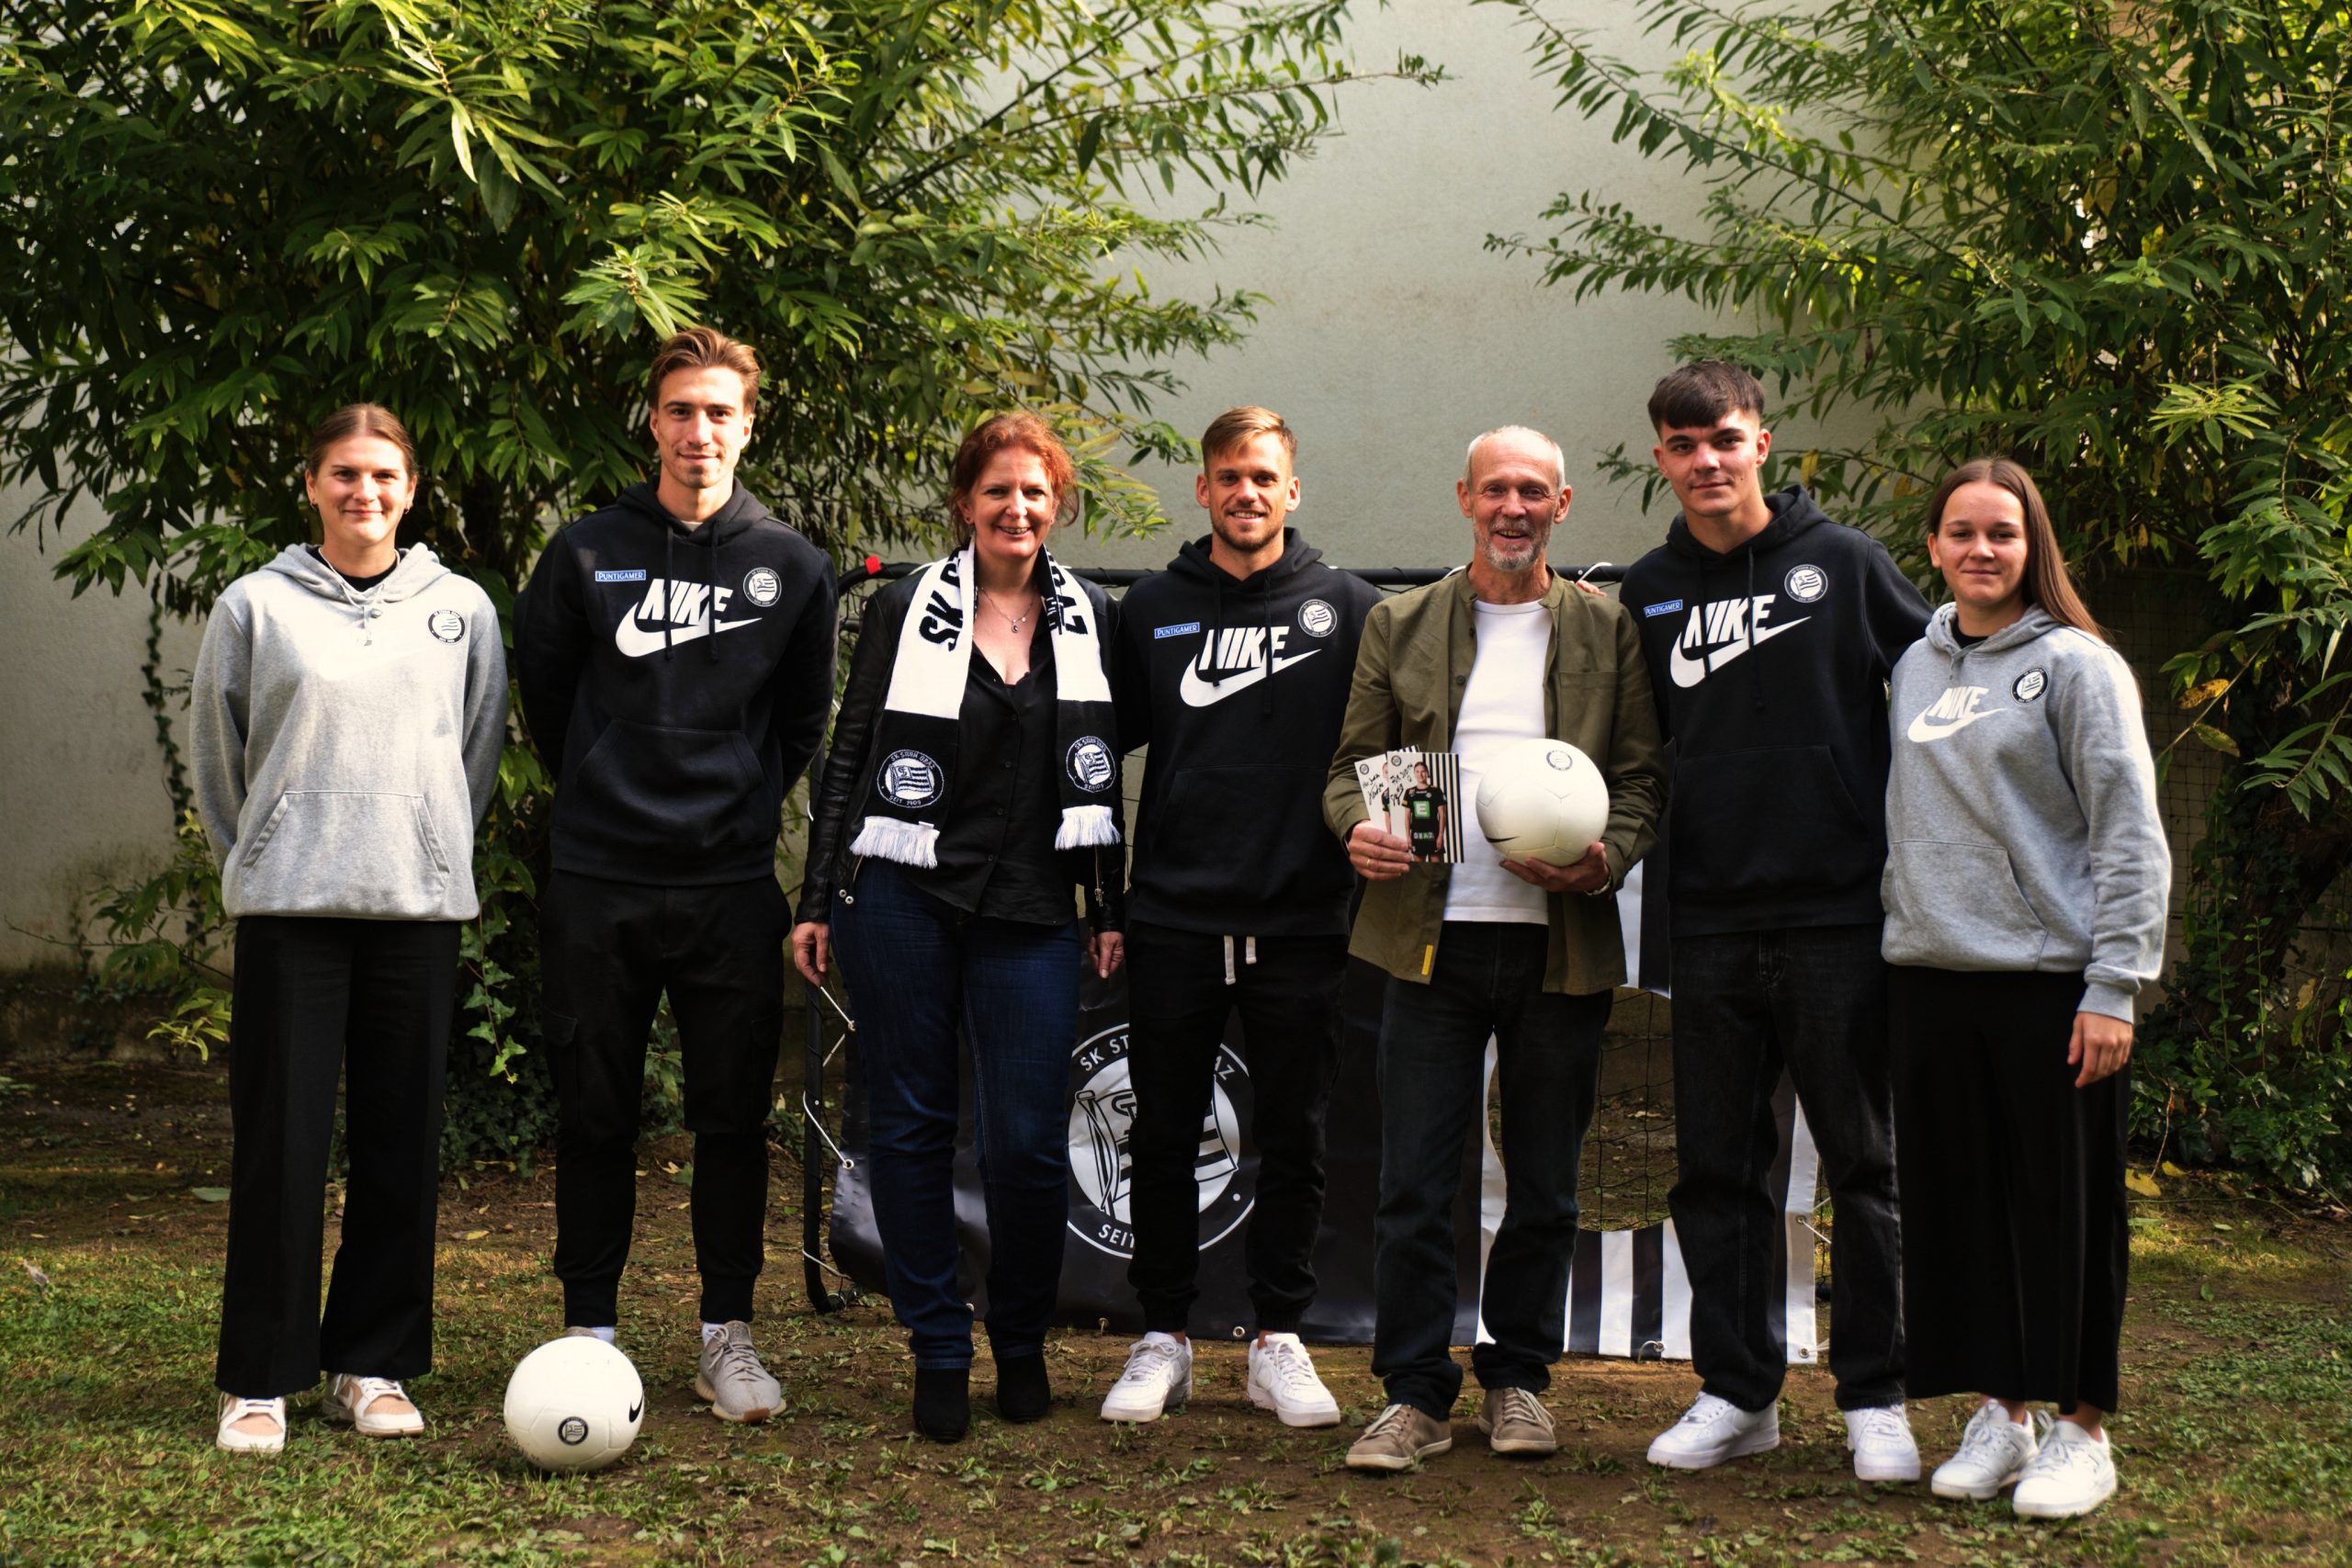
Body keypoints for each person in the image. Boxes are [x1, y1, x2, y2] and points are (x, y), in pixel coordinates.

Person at [1324, 425, 1666, 1472]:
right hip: (1426, 944)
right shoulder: (1400, 621)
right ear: (1464, 499)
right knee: (1416, 1182)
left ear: (1561, 505)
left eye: (1532, 492)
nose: (1511, 508)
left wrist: (1603, 858)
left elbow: (1645, 782)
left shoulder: (1609, 633)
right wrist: (1357, 830)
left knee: (1548, 1183)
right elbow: (1350, 768)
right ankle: (1415, 1393)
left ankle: (1517, 1377)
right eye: (1493, 491)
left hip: (1556, 949)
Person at [514, 327, 836, 1424]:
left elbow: (799, 725)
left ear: (749, 426)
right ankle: (590, 1334)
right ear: (652, 422)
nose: (699, 433)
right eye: (680, 411)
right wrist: (610, 788)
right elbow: (548, 704)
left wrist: (733, 801)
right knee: (594, 1112)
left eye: (719, 413)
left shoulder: (792, 567)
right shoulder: (583, 553)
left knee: (733, 1119)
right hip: (598, 880)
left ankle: (725, 1336)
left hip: (729, 886)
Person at [1621, 362, 1930, 1480]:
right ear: (1661, 456)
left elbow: (1944, 692)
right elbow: (1634, 755)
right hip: (1704, 921)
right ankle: (1738, 1392)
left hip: (1840, 915)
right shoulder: (1645, 592)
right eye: (1683, 443)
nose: (1706, 460)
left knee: (1863, 1163)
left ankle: (1875, 1396)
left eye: (1726, 439)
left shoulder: (1845, 564)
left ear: (1764, 445)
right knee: (1716, 1168)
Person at [793, 412, 1125, 1443]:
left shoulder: (1093, 615)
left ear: (1055, 505)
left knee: (1027, 1144)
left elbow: (1107, 768)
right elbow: (851, 748)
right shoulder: (906, 605)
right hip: (903, 896)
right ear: (964, 505)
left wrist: (1108, 903)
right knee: (910, 1128)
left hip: (1033, 907)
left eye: (1034, 492)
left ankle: (1018, 1340)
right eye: (997, 491)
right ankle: (937, 1342)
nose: (1016, 508)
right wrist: (815, 897)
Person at [192, 404, 507, 1453]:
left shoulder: (458, 607)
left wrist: (426, 845)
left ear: (410, 488)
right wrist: (270, 850)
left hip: (414, 912)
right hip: (291, 913)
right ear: (313, 485)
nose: (362, 492)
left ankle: (370, 1365)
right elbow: (220, 762)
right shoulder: (254, 607)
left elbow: (474, 754)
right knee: (280, 1144)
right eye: (343, 474)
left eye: (382, 475)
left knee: (399, 1143)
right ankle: (259, 1379)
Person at [1883, 458, 2167, 1518]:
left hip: (2050, 986)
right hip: (1929, 977)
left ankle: (2081, 1428)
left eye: (2000, 533)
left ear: (2030, 545)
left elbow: (2129, 832)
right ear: (1934, 548)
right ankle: (2003, 1414)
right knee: (1964, 1211)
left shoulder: (2078, 666)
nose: (1980, 551)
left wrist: (2114, 984)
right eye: (1960, 533)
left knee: (2065, 1212)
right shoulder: (1913, 664)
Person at [1097, 407, 1381, 1427]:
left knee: (1295, 1137)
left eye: (1264, 476)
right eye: (1228, 477)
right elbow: (1096, 754)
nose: (1246, 492)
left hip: (1304, 922)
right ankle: (1161, 1337)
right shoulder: (1152, 610)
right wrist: (1102, 896)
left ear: (1291, 490)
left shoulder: (1349, 608)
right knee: (1164, 1135)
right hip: (1173, 915)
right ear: (1204, 492)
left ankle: (1278, 1339)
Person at [1403, 760, 1447, 861]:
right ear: (1414, 773)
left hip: (1434, 836)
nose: (1420, 774)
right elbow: (1407, 817)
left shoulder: (1436, 791)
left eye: (1423, 771)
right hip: (1417, 837)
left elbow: (1442, 815)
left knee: (1436, 870)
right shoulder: (1409, 792)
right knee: (1419, 870)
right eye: (1417, 771)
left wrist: (1440, 835)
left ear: (1427, 773)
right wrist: (1408, 837)